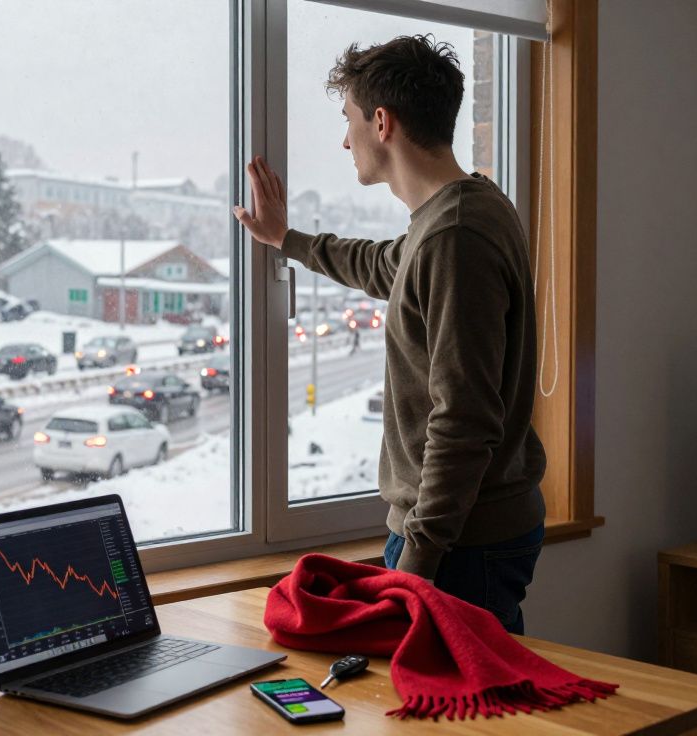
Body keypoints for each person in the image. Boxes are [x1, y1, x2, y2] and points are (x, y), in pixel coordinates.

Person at [232, 35, 547, 635]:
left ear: (382, 122)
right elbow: (386, 265)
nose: (345, 140)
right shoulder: (462, 211)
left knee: (459, 722)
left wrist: (420, 561)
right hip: (468, 533)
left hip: (458, 545)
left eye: (350, 121)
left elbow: (465, 417)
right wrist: (287, 240)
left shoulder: (456, 235)